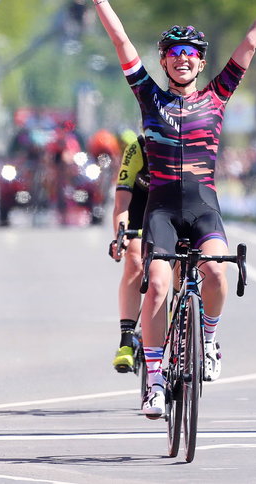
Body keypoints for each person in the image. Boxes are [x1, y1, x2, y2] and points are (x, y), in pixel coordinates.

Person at [66, 0, 256, 418]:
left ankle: (210, 341)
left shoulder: (217, 97)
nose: (181, 61)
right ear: (163, 61)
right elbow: (119, 42)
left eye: (190, 55)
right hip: (160, 210)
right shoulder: (148, 96)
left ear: (201, 63)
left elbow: (251, 44)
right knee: (156, 287)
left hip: (202, 207)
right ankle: (154, 382)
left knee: (217, 272)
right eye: (173, 55)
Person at [109, 133, 149, 372]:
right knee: (134, 261)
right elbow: (121, 204)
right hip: (140, 210)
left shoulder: (185, 144)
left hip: (174, 210)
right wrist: (120, 239)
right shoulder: (138, 148)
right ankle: (126, 338)